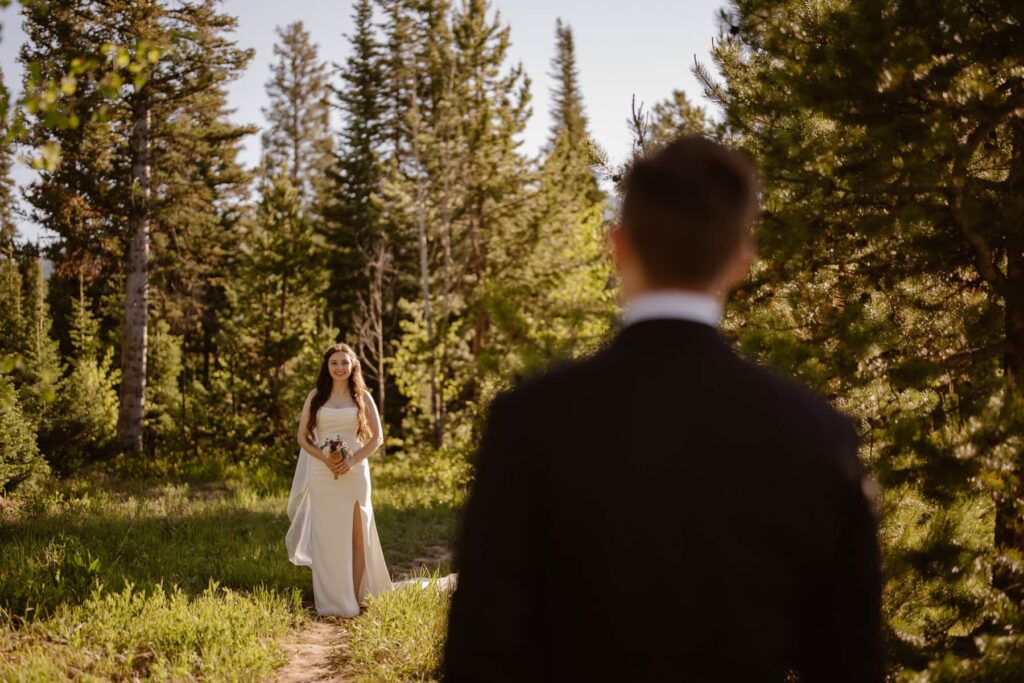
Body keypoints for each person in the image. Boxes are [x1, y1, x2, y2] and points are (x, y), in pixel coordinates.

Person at [442, 135, 883, 681]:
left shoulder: (529, 421)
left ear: (618, 245)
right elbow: (851, 663)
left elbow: (478, 652)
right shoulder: (820, 434)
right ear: (741, 263)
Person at [286, 342, 393, 617]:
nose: (339, 367)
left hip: (355, 473)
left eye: (345, 362)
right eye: (334, 363)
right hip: (322, 474)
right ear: (327, 367)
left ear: (353, 365)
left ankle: (355, 599)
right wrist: (324, 459)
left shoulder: (362, 397)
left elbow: (377, 438)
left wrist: (352, 460)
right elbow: (302, 438)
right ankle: (330, 601)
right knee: (327, 537)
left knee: (358, 537)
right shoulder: (315, 397)